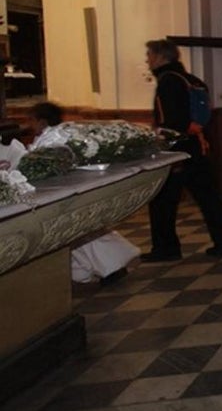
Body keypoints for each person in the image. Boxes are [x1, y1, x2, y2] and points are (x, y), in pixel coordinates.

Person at [144, 39, 222, 261]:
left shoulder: (168, 81)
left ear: (160, 57)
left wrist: (167, 150)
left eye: (149, 55)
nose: (147, 60)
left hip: (178, 150)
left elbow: (172, 121)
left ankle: (166, 248)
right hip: (197, 145)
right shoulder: (190, 78)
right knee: (208, 196)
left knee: (162, 201)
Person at [27, 102, 140, 283]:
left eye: (31, 120)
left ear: (42, 121)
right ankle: (103, 268)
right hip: (61, 192)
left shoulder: (54, 138)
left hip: (61, 192)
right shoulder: (50, 135)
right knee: (77, 237)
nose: (29, 124)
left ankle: (111, 267)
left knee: (79, 235)